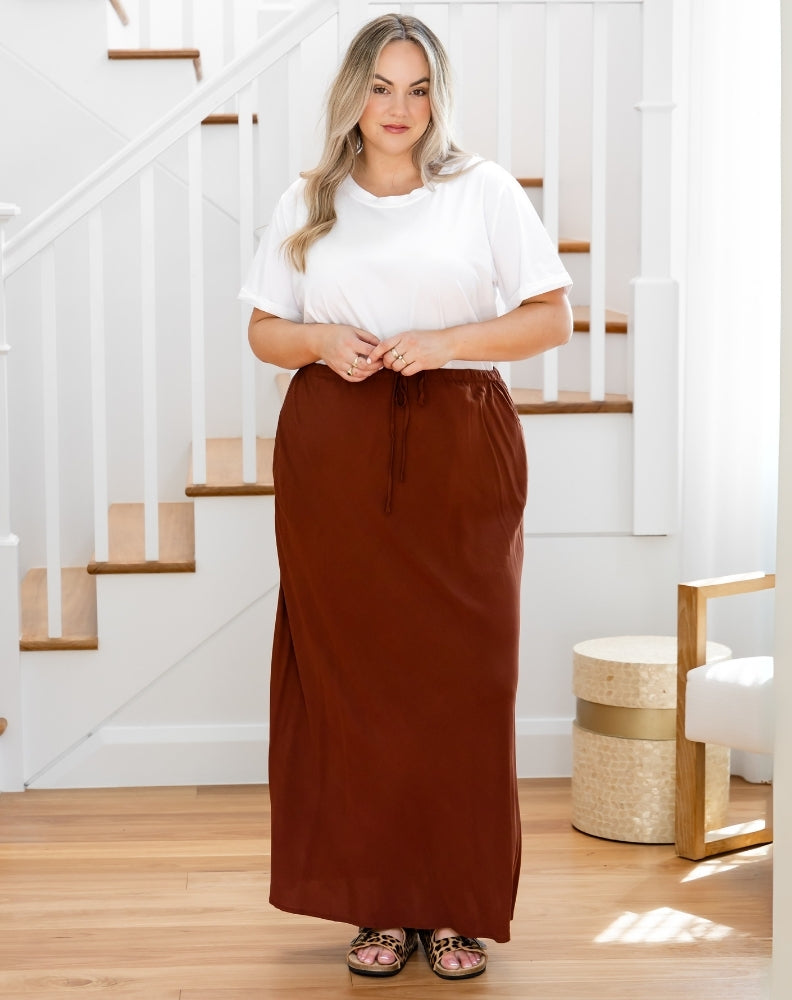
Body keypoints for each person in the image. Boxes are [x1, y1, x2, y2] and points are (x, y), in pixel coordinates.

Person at [239, 12, 572, 982]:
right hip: (334, 452)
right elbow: (265, 328)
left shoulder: (482, 191)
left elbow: (551, 316)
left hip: (461, 442)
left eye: (418, 88)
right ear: (353, 93)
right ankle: (379, 903)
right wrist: (317, 342)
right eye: (381, 86)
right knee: (355, 685)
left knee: (467, 683)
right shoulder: (311, 198)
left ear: (440, 97)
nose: (399, 108)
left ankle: (454, 906)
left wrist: (450, 339)